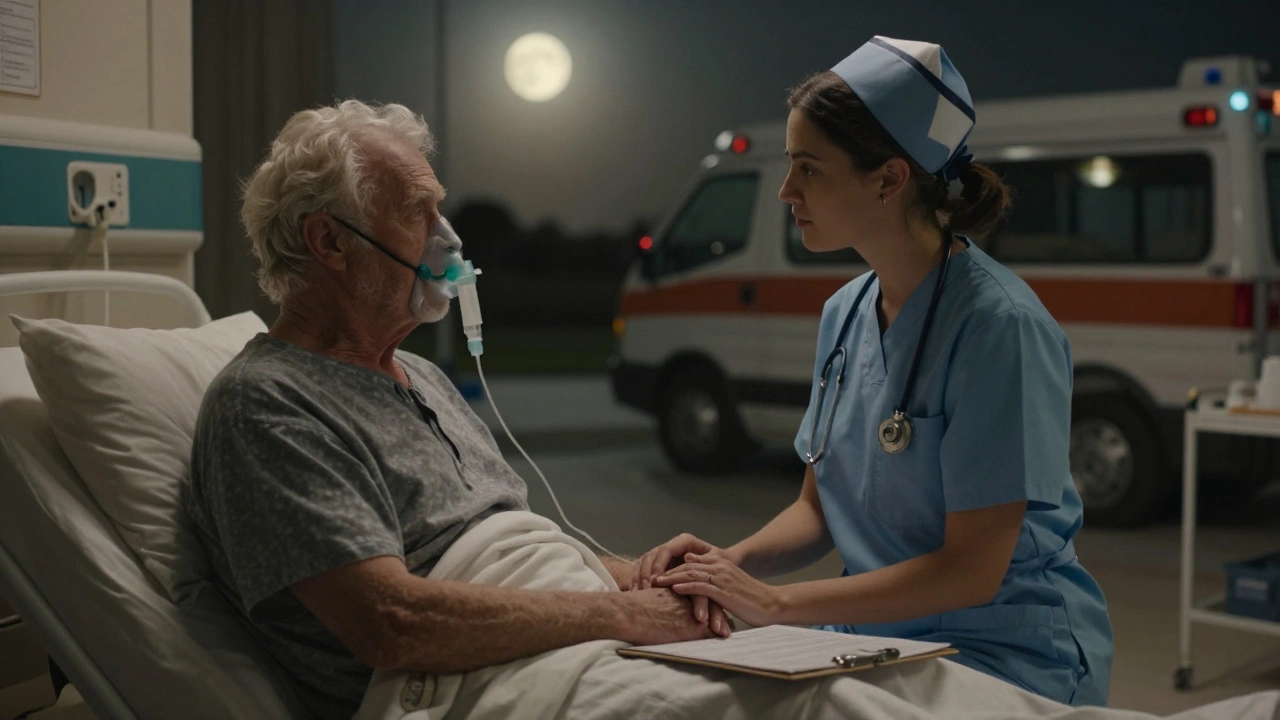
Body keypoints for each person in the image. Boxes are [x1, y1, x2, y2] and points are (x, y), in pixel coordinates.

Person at [185, 100, 734, 720]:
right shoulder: (266, 403)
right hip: (455, 686)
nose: (446, 235)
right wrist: (625, 613)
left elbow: (505, 557)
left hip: (563, 641)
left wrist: (639, 576)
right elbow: (392, 624)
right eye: (416, 211)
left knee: (816, 684)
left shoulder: (424, 377)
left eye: (438, 207)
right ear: (330, 242)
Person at [633, 36, 1115, 707]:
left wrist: (773, 602)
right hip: (869, 639)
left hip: (1001, 653)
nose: (785, 190)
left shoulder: (998, 326)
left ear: (888, 179)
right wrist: (725, 568)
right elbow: (817, 509)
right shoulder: (845, 312)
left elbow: (973, 571)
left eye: (809, 169)